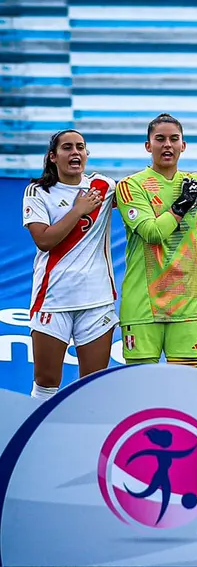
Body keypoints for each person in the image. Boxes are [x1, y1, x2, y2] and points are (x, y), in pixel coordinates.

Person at [116, 113, 197, 367]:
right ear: (148, 146)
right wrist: (182, 205)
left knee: (183, 391)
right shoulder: (131, 185)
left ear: (183, 146)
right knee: (143, 390)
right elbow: (152, 233)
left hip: (189, 305)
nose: (167, 145)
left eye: (174, 139)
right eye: (160, 139)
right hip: (143, 304)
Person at [23, 130, 117, 400]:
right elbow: (43, 240)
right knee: (46, 382)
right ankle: (38, 439)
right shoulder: (38, 191)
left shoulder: (104, 186)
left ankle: (86, 441)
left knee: (92, 386)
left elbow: (141, 198)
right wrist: (78, 210)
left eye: (80, 147)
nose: (75, 152)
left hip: (97, 300)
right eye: (67, 148)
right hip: (53, 299)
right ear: (53, 156)